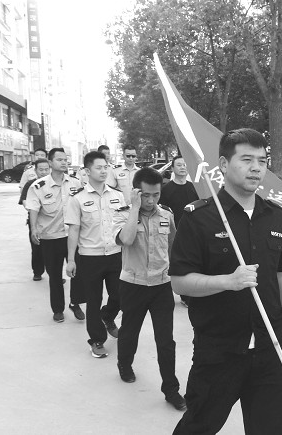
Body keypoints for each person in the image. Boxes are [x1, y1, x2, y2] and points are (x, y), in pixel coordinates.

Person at [170, 128, 282, 434]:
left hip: (271, 347)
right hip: (219, 349)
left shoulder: (275, 216)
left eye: (262, 161)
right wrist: (228, 281)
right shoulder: (199, 218)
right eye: (246, 160)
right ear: (224, 165)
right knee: (199, 426)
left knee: (275, 429)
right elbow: (180, 282)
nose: (256, 168)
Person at [113, 166, 185, 411]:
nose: (151, 200)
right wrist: (134, 208)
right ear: (136, 192)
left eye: (156, 195)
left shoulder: (166, 215)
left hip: (161, 285)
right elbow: (126, 239)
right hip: (133, 284)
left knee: (166, 341)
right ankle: (125, 364)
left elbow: (173, 245)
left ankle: (171, 389)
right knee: (130, 331)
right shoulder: (123, 214)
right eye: (145, 195)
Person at [65, 151, 125, 358]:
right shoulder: (77, 199)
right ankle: (97, 340)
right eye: (98, 167)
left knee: (120, 296)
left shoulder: (117, 196)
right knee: (93, 300)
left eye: (105, 167)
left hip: (115, 254)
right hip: (90, 257)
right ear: (87, 171)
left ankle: (107, 316)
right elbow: (73, 230)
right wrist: (71, 260)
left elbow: (124, 225)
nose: (103, 171)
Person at [24, 148, 86, 323]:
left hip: (73, 236)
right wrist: (34, 229)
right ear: (50, 163)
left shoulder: (75, 183)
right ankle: (58, 309)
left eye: (65, 159)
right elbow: (33, 208)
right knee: (55, 276)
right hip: (51, 237)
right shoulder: (39, 186)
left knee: (78, 272)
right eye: (59, 160)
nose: (64, 162)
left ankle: (75, 303)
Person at [158, 155, 199, 307]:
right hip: (172, 232)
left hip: (192, 232)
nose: (183, 167)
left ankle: (188, 294)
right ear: (173, 168)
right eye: (179, 165)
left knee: (191, 263)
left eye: (185, 164)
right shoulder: (166, 189)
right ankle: (177, 294)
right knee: (174, 263)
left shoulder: (193, 187)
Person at [19, 158, 51, 281]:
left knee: (52, 250)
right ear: (35, 171)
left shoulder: (54, 183)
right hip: (36, 221)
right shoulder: (30, 185)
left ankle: (54, 274)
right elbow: (24, 201)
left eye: (46, 169)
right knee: (37, 248)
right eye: (41, 170)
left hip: (52, 222)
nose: (44, 172)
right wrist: (35, 209)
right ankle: (37, 272)